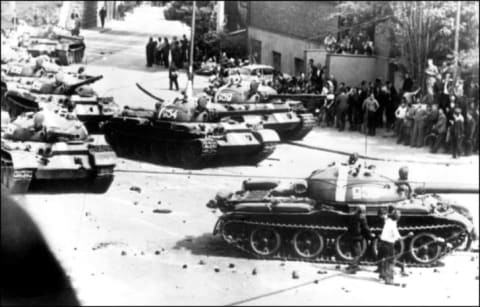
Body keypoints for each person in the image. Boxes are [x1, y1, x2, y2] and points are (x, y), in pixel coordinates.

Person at [378, 209, 413, 285]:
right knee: (390, 262)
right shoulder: (393, 226)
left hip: (381, 243)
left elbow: (385, 216)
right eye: (399, 216)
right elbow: (399, 238)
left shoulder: (388, 220)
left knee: (382, 259)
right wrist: (408, 235)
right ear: (397, 218)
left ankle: (382, 275)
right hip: (388, 245)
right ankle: (389, 279)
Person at [345, 205, 375, 274]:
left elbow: (349, 226)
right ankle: (353, 267)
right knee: (358, 253)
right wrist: (370, 234)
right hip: (357, 236)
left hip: (351, 236)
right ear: (362, 210)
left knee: (354, 252)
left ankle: (353, 265)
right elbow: (365, 227)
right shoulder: (362, 217)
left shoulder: (353, 215)